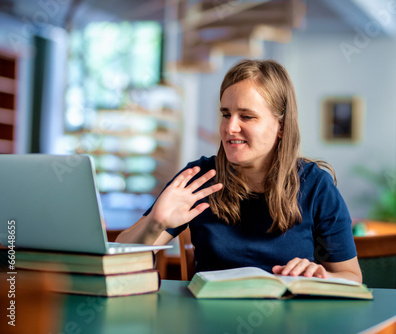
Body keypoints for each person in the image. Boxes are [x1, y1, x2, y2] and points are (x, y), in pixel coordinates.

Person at [116, 59, 362, 283]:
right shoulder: (199, 178)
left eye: (246, 116)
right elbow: (119, 262)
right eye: (226, 114)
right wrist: (155, 224)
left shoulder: (315, 185)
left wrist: (321, 274)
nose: (230, 127)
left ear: (282, 127)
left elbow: (352, 277)